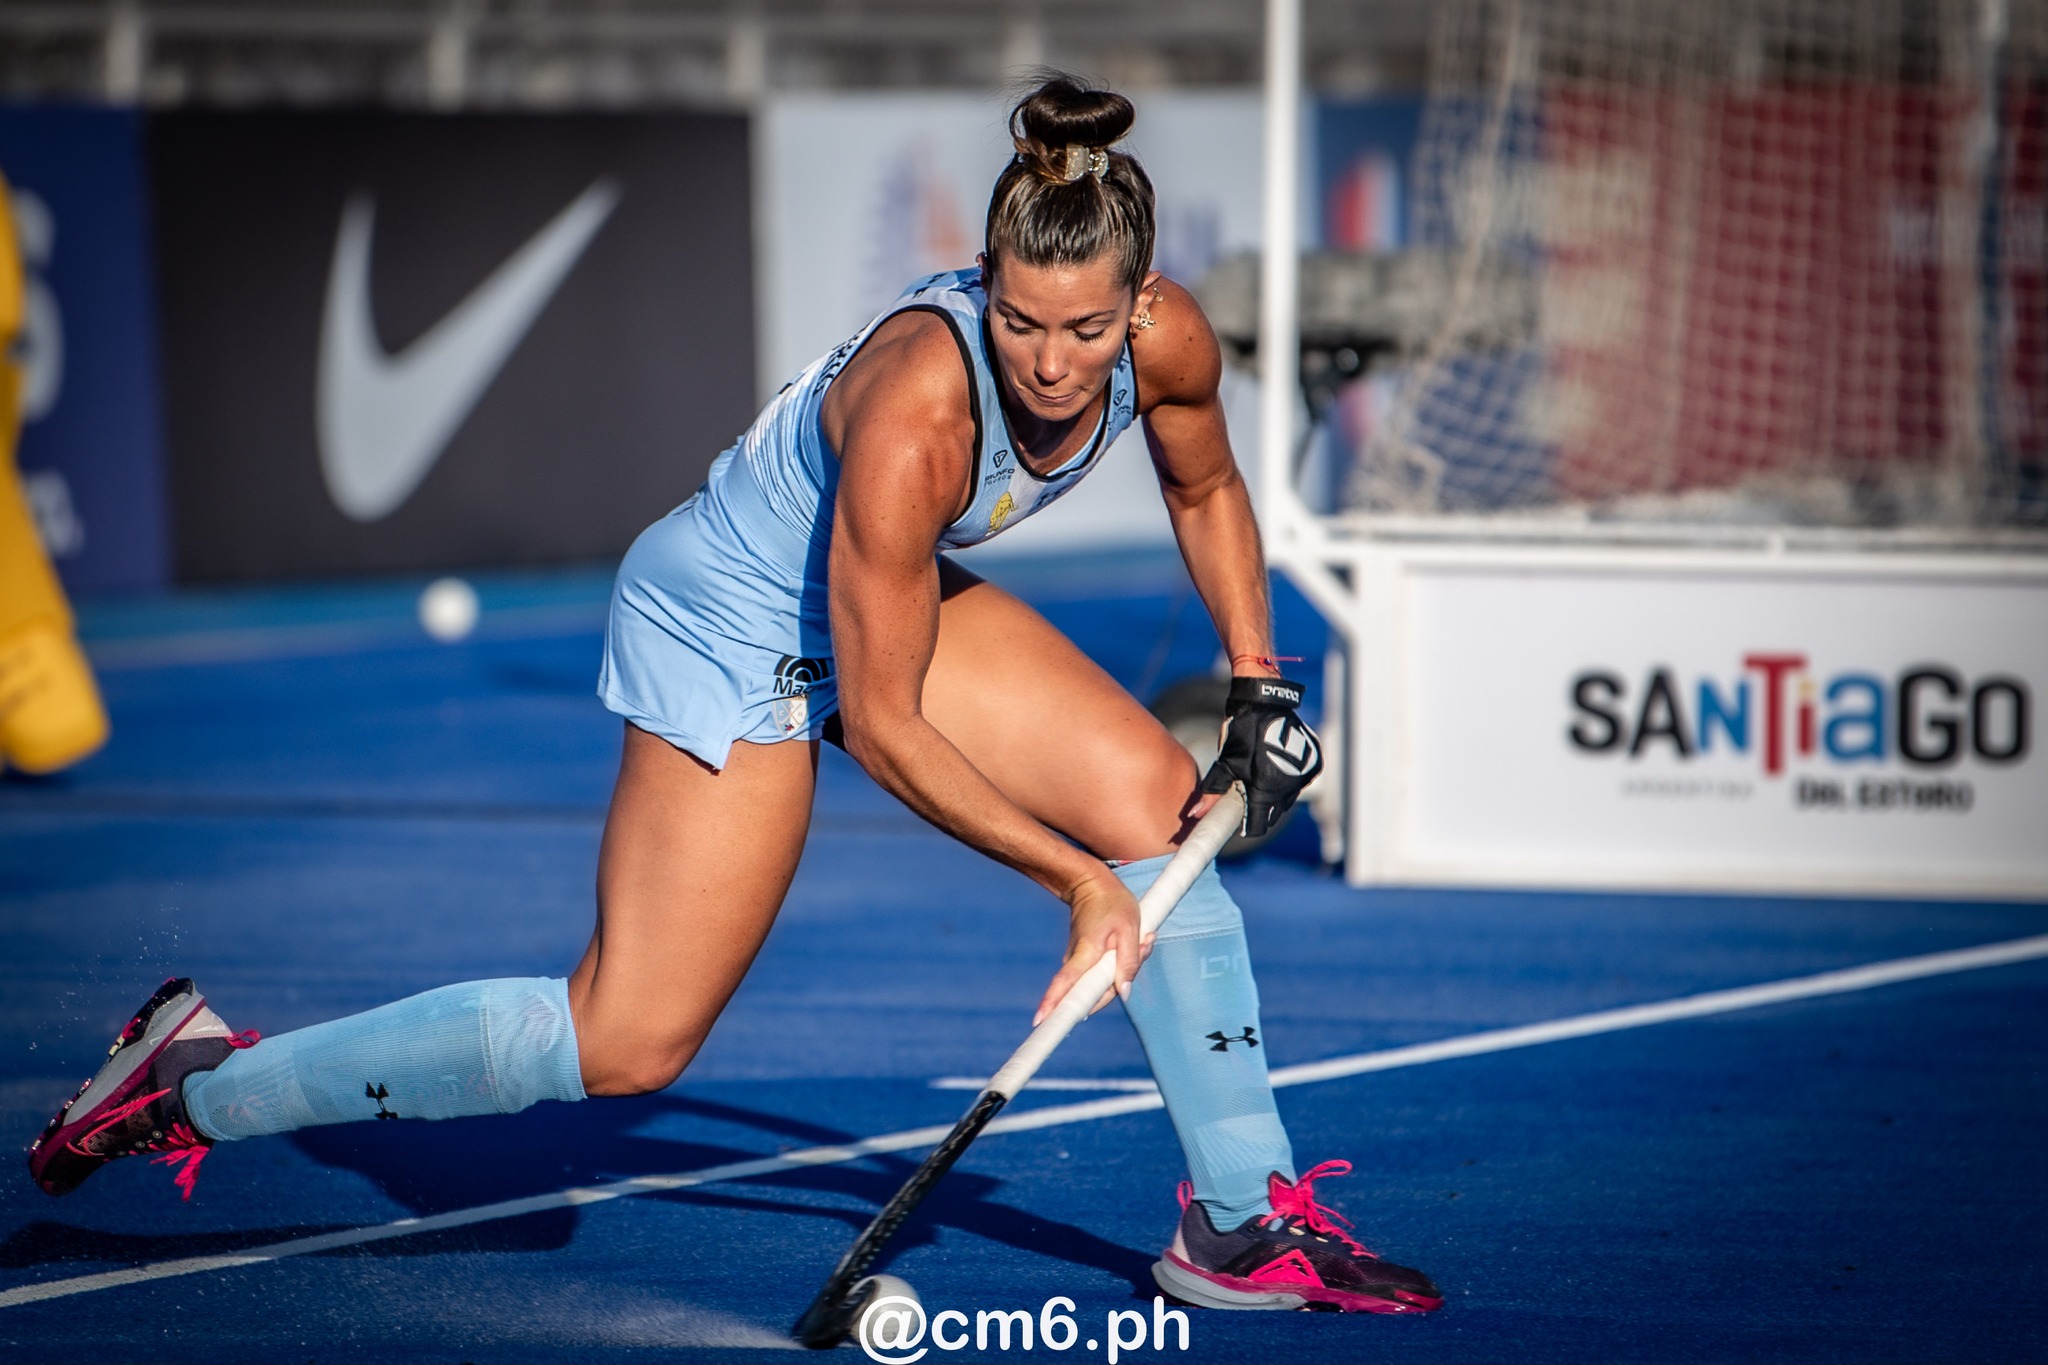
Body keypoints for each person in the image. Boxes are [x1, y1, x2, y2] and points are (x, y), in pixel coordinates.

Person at [28, 75, 1440, 1316]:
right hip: (729, 622)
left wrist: (1257, 675)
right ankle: (197, 1077)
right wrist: (1079, 882)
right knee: (629, 1038)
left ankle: (1240, 1219)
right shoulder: (919, 421)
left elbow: (1203, 481)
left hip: (882, 597)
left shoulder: (1169, 342)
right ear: (984, 284)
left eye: (1082, 330)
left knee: (1158, 807)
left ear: (1139, 301)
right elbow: (885, 726)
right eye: (1018, 323)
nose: (1053, 364)